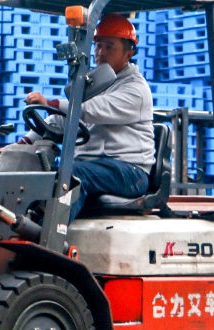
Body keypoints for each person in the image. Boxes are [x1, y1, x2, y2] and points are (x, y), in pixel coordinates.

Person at [18, 13, 155, 220]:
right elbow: (61, 119)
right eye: (98, 46)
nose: (101, 52)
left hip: (129, 171)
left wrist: (51, 103)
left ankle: (49, 236)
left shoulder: (135, 89)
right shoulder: (96, 83)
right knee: (43, 172)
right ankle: (26, 223)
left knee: (72, 174)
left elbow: (91, 109)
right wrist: (23, 144)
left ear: (128, 54)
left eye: (109, 47)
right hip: (95, 167)